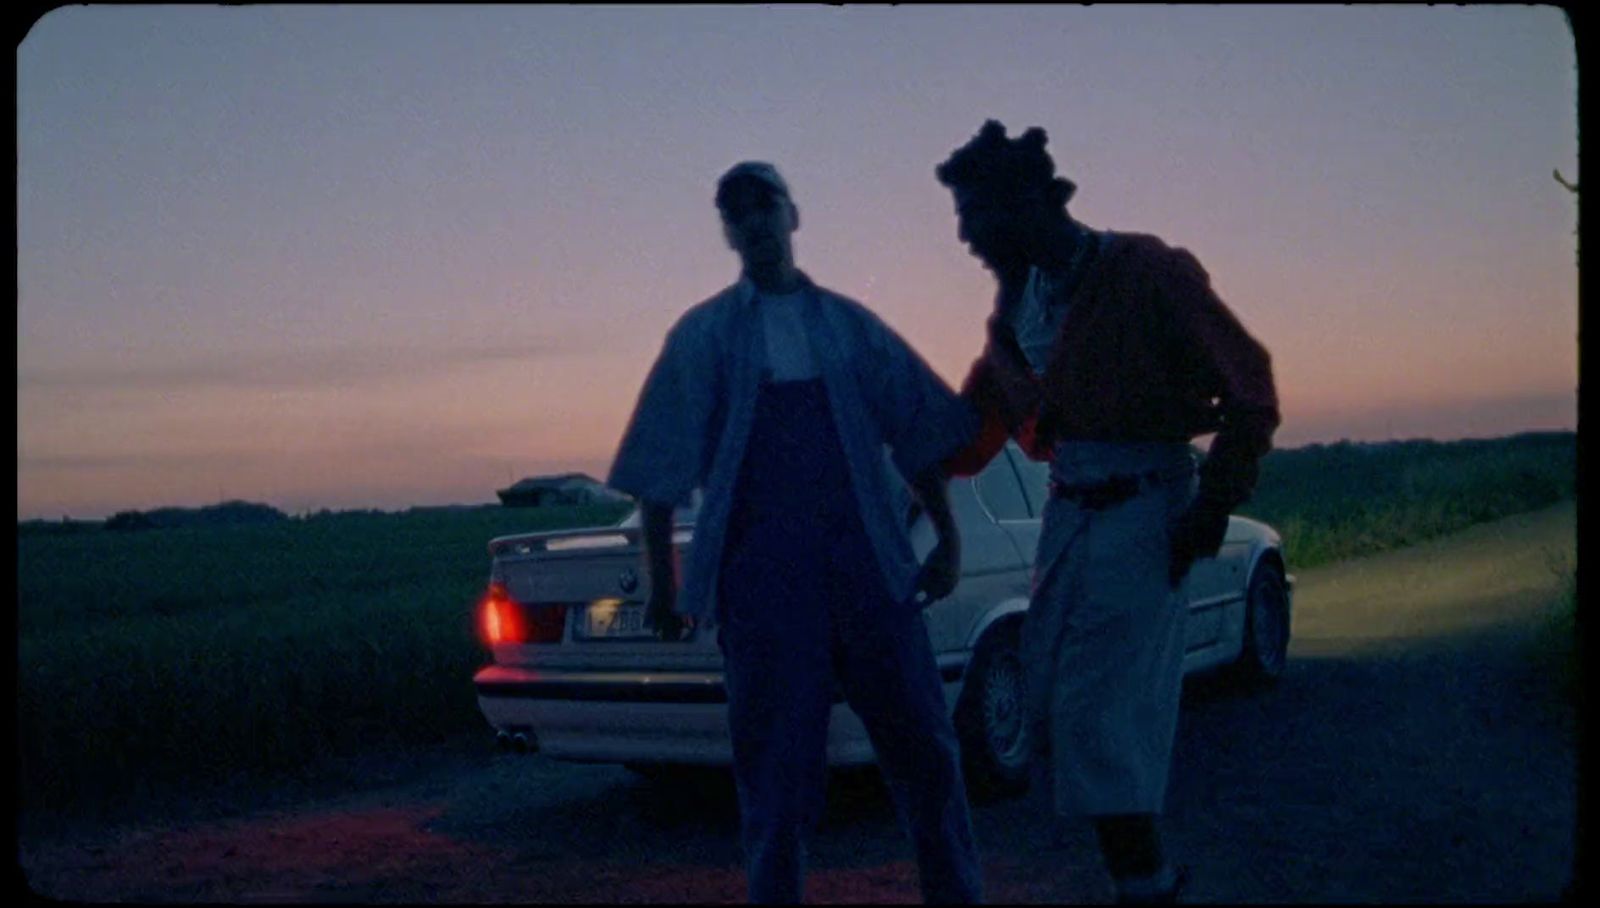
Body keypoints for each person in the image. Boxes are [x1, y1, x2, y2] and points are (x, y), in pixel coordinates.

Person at [607, 161, 985, 905]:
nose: (753, 220)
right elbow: (661, 464)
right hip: (765, 588)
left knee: (927, 756)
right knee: (776, 779)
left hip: (871, 571)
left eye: (765, 204)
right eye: (736, 210)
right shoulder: (704, 336)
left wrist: (948, 539)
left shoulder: (849, 327)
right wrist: (664, 582)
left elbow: (917, 434)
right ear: (727, 230)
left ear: (792, 215)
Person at [934, 121, 1280, 904]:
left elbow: (1251, 387)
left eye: (976, 216)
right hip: (1070, 516)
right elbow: (971, 430)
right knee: (1053, 697)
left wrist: (1212, 506)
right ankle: (1144, 874)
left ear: (1028, 205)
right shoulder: (1017, 307)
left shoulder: (1145, 270)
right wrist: (893, 461)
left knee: (1102, 719)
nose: (965, 237)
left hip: (1145, 508)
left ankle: (1149, 887)